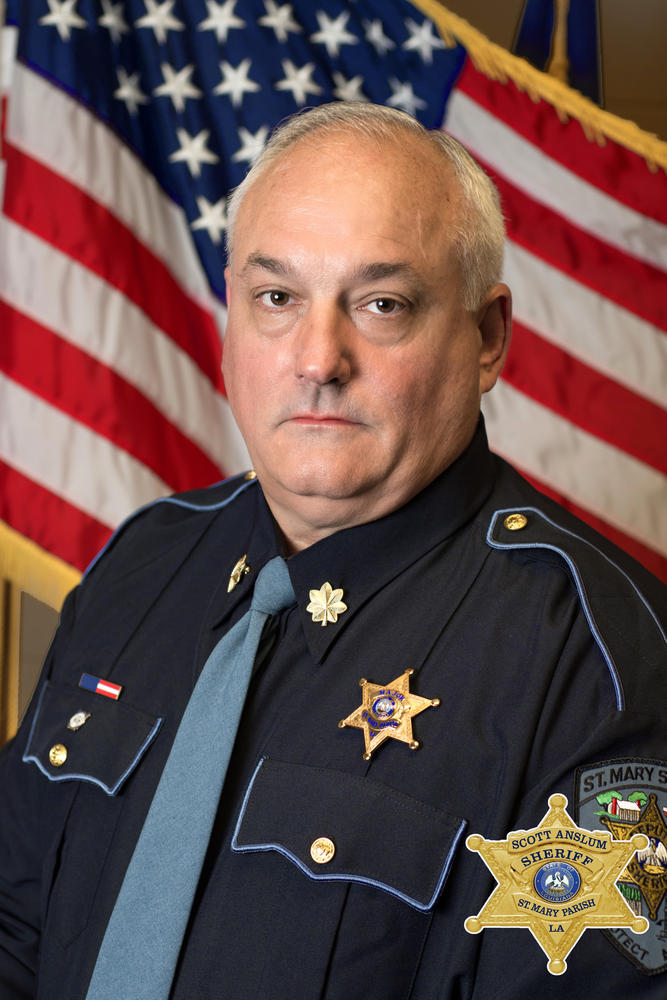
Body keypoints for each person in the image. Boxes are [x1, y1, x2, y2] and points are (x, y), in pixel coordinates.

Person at [0, 102, 665, 999]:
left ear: (486, 339)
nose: (318, 357)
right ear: (231, 315)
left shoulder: (599, 670)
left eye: (381, 304)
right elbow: (14, 924)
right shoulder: (144, 565)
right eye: (277, 298)